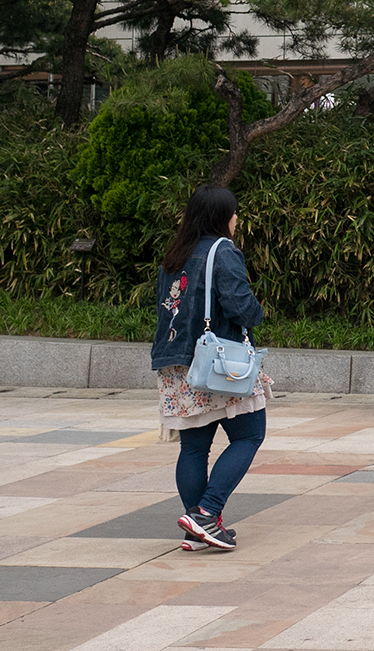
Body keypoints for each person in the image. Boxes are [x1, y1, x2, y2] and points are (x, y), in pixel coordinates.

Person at [153, 185, 271, 552]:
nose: (236, 219)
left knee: (194, 448)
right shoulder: (223, 251)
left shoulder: (176, 253)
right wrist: (258, 314)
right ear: (222, 217)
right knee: (249, 435)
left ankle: (197, 528)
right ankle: (207, 513)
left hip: (175, 363)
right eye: (234, 213)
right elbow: (240, 305)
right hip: (216, 361)